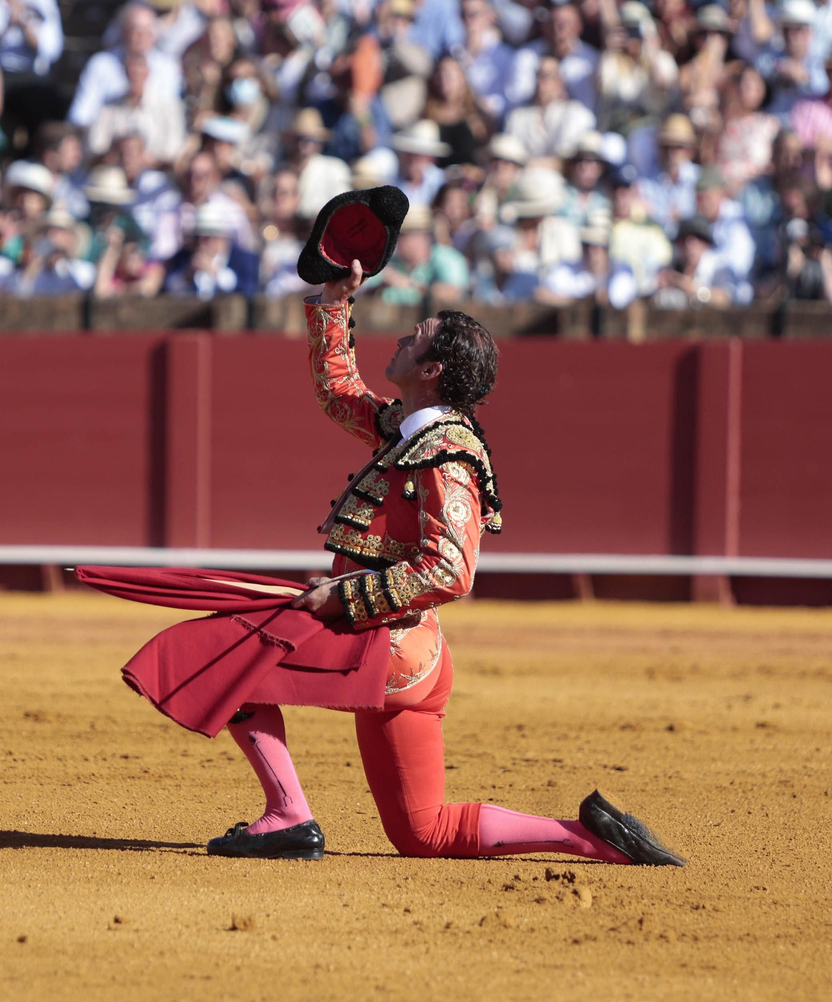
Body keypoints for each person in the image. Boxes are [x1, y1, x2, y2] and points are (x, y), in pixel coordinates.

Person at [181, 256, 685, 865]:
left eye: (412, 337)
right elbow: (339, 394)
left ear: (432, 369)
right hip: (411, 661)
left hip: (385, 649)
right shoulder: (411, 430)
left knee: (230, 655)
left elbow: (451, 570)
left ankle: (289, 816)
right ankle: (587, 836)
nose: (398, 338)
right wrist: (335, 302)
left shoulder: (446, 451)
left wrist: (342, 597)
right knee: (425, 835)